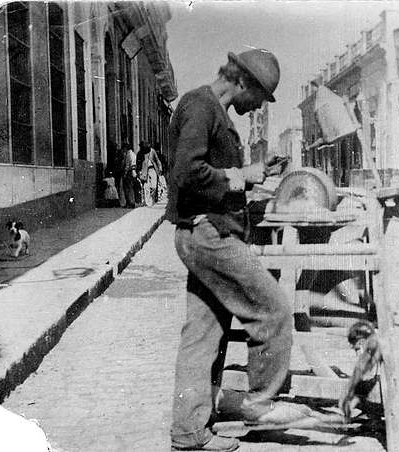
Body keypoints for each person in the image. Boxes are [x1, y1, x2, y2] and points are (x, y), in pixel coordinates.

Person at [166, 48, 301, 452]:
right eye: (260, 95)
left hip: (204, 231)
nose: (259, 104)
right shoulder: (200, 106)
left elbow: (215, 177)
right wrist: (241, 176)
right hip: (209, 235)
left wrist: (252, 180)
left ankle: (189, 434)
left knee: (202, 336)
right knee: (273, 309)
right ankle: (259, 404)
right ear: (243, 82)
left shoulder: (215, 113)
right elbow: (187, 172)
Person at [138, 141, 163, 206]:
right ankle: (147, 202)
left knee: (154, 186)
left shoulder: (152, 151)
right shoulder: (140, 153)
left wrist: (160, 167)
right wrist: (139, 171)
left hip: (153, 169)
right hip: (144, 170)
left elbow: (157, 160)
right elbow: (138, 162)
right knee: (146, 186)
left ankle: (152, 199)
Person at [118, 142, 137, 208]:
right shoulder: (133, 154)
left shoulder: (128, 154)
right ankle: (132, 202)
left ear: (125, 148)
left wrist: (125, 173)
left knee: (127, 188)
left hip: (129, 172)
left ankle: (129, 203)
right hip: (133, 172)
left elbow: (127, 165)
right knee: (131, 188)